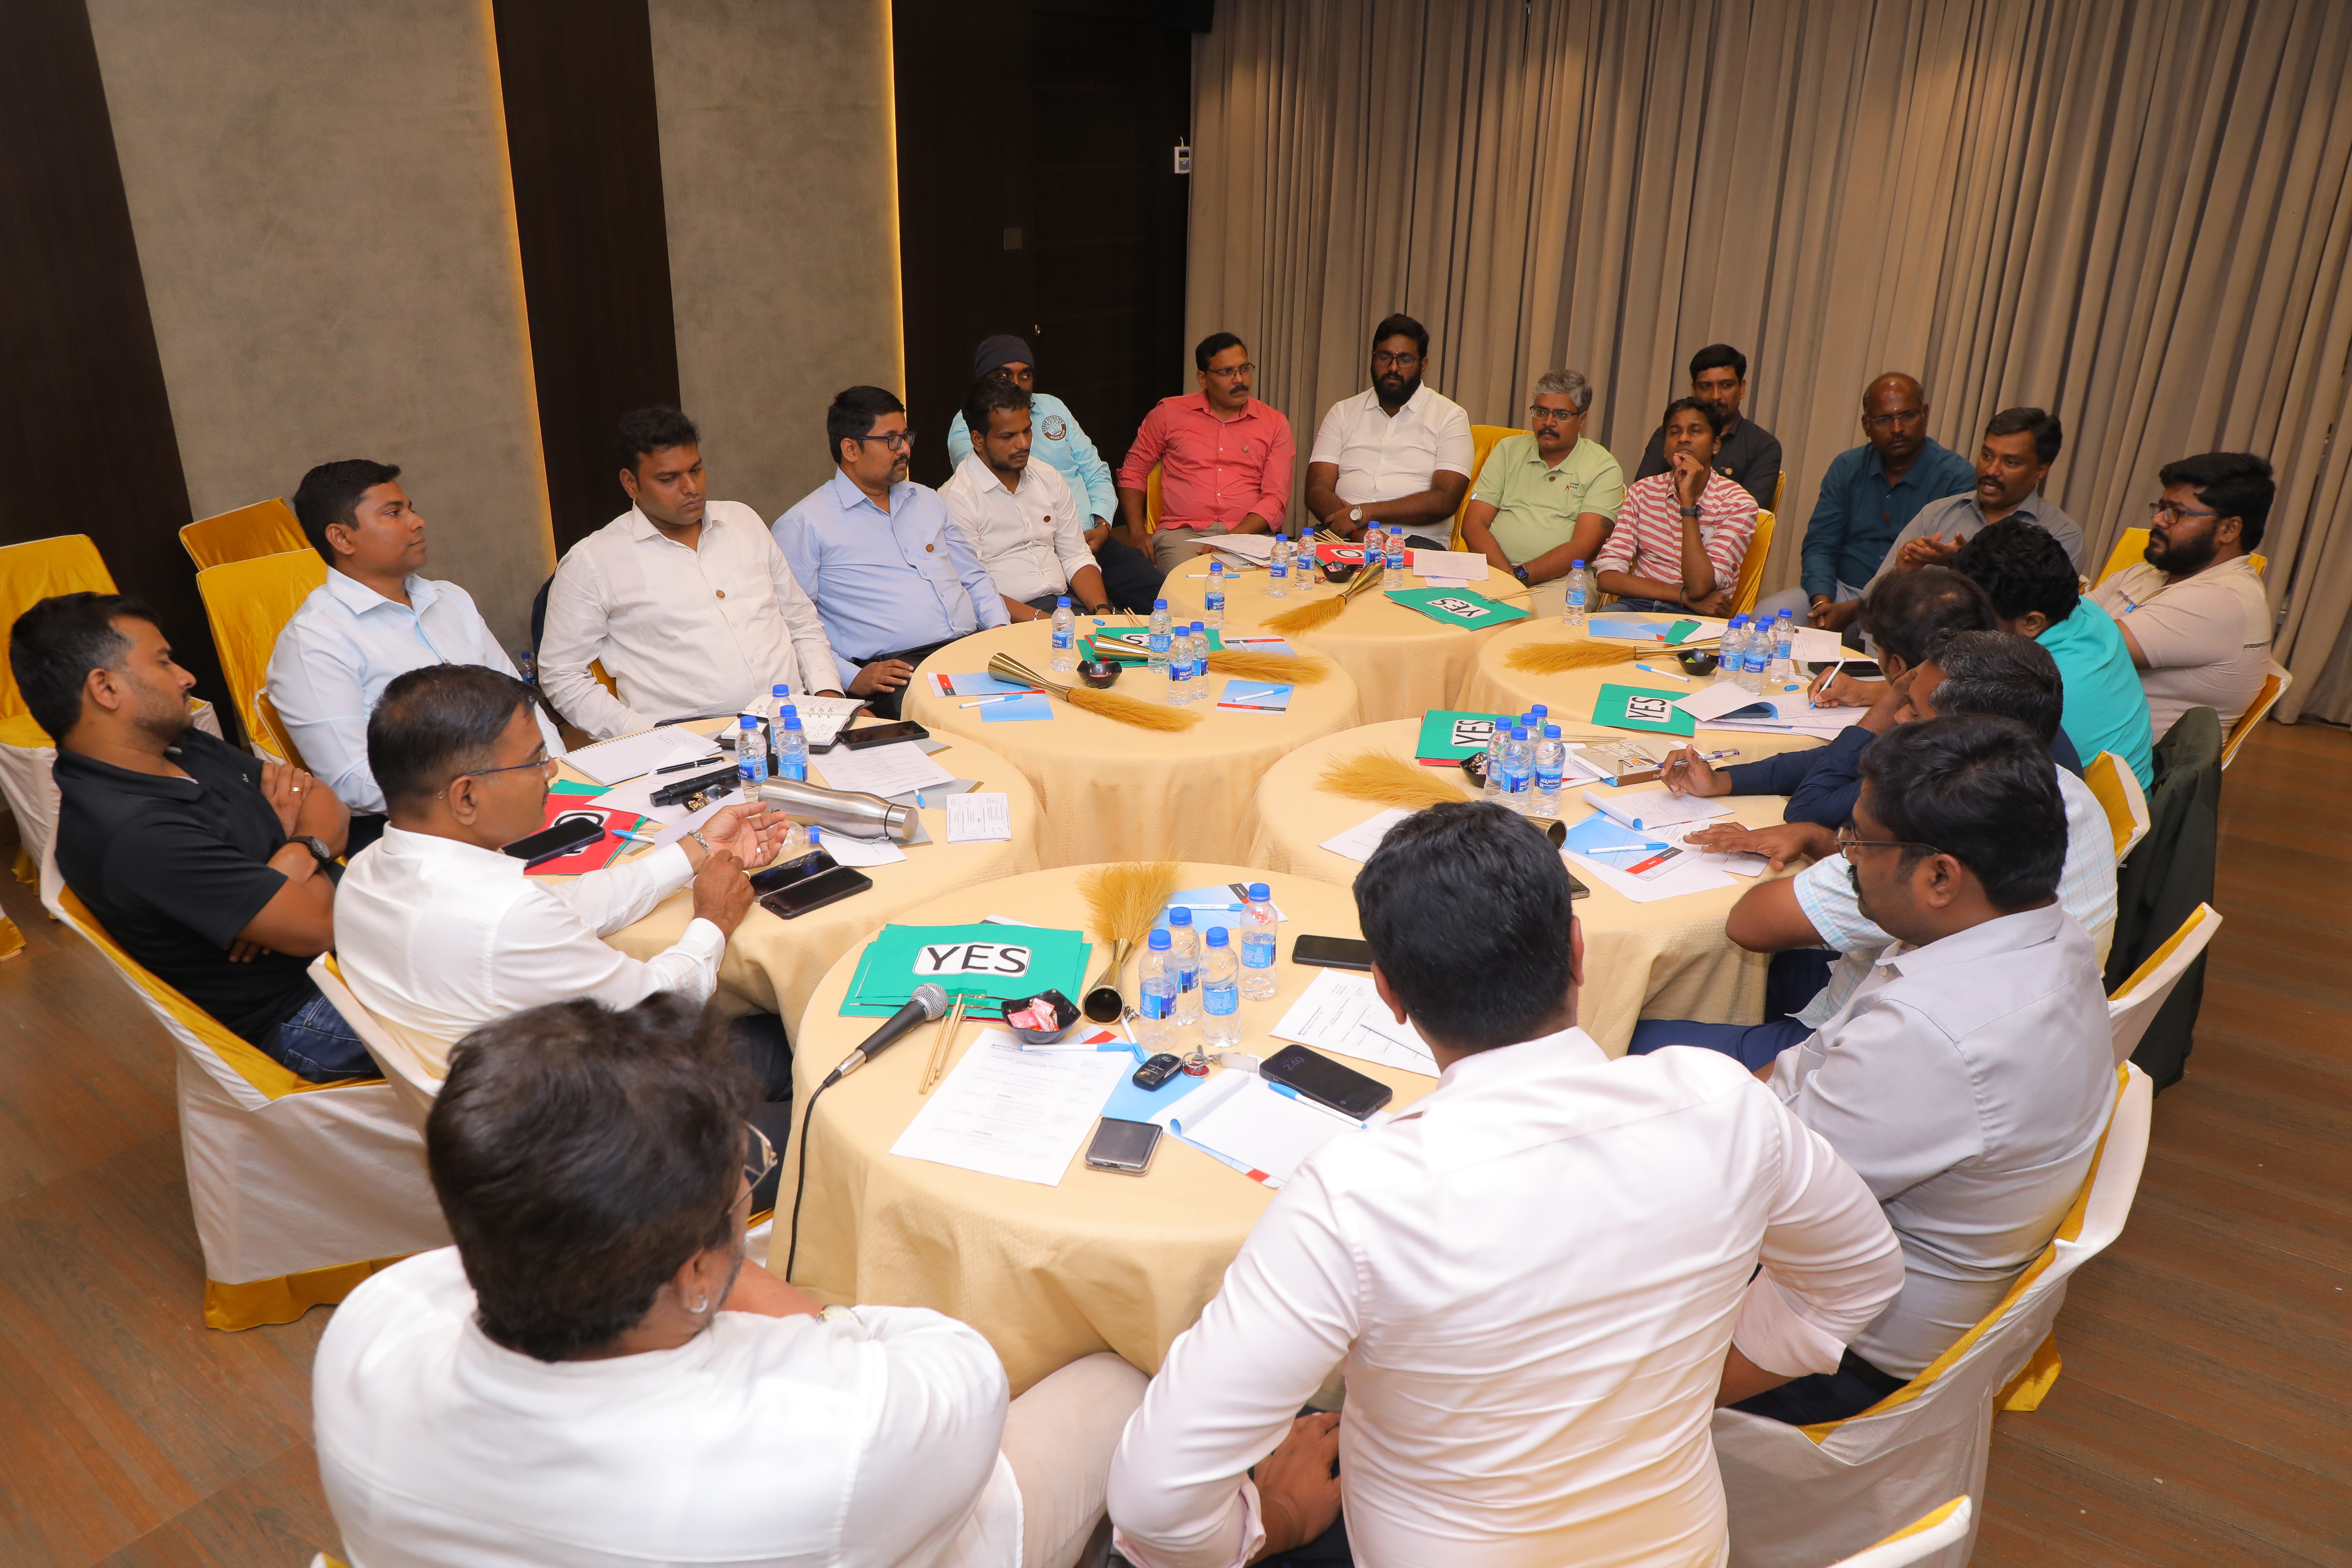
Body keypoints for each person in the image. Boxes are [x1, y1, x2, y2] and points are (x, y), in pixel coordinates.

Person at [1106, 802, 1904, 1568]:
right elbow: (1861, 1277)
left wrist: (1272, 1521)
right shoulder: (1723, 1103)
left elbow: (1154, 1503)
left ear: (1388, 993)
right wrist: (1686, 1387)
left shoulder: (1355, 1196)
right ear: (1579, 951)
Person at [314, 993, 1149, 1568]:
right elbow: (955, 1361)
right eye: (741, 1173)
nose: (747, 1178)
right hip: (905, 1508)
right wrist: (783, 1306)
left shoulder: (370, 1330)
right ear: (696, 1268)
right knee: (1123, 1364)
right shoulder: (840, 1429)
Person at [1730, 716, 2118, 1424]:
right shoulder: (2038, 933)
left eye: (1861, 841)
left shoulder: (1935, 1033)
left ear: (1940, 875)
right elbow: (1802, 1071)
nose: (1848, 857)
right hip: (1866, 1270)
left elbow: (1757, 1197)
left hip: (1842, 1353)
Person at [331, 664, 797, 1136]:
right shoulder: (506, 915)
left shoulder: (366, 873)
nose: (552, 770)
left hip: (498, 1110)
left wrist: (695, 850)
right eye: (535, 760)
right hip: (601, 1132)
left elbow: (569, 906)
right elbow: (658, 1010)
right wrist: (714, 920)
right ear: (465, 797)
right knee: (805, 1044)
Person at [1637, 630, 2119, 1068]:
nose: (1899, 718)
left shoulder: (1935, 827)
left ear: (1968, 741)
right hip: (2031, 1032)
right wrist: (1819, 838)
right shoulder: (2063, 793)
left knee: (1630, 1034)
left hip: (1870, 1048)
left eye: (1913, 709)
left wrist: (1881, 714)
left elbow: (1749, 924)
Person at [12, 593, 368, 1081]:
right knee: (482, 1002)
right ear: (106, 688)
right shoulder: (134, 833)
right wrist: (306, 847)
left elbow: (325, 799)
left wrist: (294, 855)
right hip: (306, 1013)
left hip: (351, 949)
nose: (186, 677)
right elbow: (320, 925)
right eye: (164, 661)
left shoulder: (175, 743)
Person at [266, 458, 561, 853]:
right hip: (409, 829)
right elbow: (352, 781)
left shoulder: (451, 599)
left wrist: (560, 776)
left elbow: (521, 707)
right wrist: (489, 790)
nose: (418, 522)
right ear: (342, 538)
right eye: (393, 513)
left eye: (410, 508)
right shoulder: (315, 640)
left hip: (513, 794)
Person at [539, 408, 861, 740]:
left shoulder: (742, 521)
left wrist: (827, 696)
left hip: (794, 723)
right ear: (631, 483)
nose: (691, 487)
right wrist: (644, 735)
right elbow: (562, 675)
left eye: (696, 470)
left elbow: (800, 620)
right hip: (686, 740)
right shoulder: (593, 561)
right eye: (669, 479)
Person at [1662, 567, 2018, 833]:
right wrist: (1722, 781)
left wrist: (1889, 701)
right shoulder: (1979, 698)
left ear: (1898, 667)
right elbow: (1829, 760)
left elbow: (1806, 811)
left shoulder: (1935, 746)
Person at [774, 386, 1008, 721]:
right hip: (899, 670)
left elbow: (974, 577)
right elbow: (791, 624)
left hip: (970, 649)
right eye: (891, 440)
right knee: (975, 723)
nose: (906, 449)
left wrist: (1000, 633)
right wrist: (851, 677)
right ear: (851, 449)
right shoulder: (805, 524)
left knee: (1038, 705)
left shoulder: (926, 499)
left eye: (906, 437)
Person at [946, 334, 1162, 611]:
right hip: (1035, 565)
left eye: (1025, 375)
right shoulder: (966, 447)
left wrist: (1103, 526)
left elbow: (1095, 472)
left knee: (1165, 599)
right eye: (1003, 376)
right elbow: (997, 489)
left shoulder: (1052, 420)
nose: (1023, 444)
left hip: (1085, 542)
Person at [1761, 373, 1974, 630]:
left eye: (1907, 416)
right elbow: (1821, 544)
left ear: (1925, 414)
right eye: (1884, 420)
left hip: (1908, 604)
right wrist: (1822, 604)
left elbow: (1940, 574)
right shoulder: (1847, 467)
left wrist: (1857, 610)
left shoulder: (1957, 477)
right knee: (1768, 614)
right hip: (1841, 591)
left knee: (1875, 633)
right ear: (1866, 424)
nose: (1897, 429)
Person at [2089, 451, 2277, 739]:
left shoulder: (2220, 601)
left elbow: (2087, 650)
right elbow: (2064, 617)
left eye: (2177, 512)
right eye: (2162, 507)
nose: (2158, 520)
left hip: (2122, 761)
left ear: (2229, 529)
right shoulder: (2151, 572)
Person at [1953, 519, 2154, 787]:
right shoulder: (2084, 612)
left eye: (1977, 615)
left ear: (2031, 623)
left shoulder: (2035, 686)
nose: (1963, 624)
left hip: (2079, 804)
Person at [1116, 331, 1297, 571]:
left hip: (1249, 536)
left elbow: (1275, 498)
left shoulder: (1274, 423)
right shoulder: (1169, 413)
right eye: (1226, 372)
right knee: (1190, 587)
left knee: (1265, 590)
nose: (1239, 379)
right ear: (1203, 379)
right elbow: (1133, 472)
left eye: (1244, 369)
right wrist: (1138, 534)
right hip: (1184, 536)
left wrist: (1233, 539)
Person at [940, 378, 1113, 622]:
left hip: (1065, 605)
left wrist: (1102, 612)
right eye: (1008, 436)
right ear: (978, 440)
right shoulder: (957, 498)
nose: (1023, 444)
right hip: (1006, 619)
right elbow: (975, 590)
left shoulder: (1048, 477)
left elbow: (1076, 556)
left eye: (1027, 431)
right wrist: (1048, 624)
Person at [1457, 369, 1625, 608]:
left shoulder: (1603, 467)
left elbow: (1583, 547)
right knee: (1443, 617)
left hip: (1560, 581)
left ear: (1582, 420)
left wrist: (1520, 577)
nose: (1548, 423)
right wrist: (1507, 578)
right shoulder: (1508, 450)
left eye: (1561, 415)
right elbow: (1474, 524)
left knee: (1532, 628)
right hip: (1491, 570)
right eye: (1541, 412)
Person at [1303, 313, 1474, 545]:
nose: (1393, 368)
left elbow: (1445, 500)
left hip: (1416, 543)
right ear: (1373, 359)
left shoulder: (1450, 417)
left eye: (1405, 359)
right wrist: (1360, 533)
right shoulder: (1343, 412)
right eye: (1385, 357)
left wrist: (1363, 514)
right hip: (1342, 536)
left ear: (1423, 366)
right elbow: (1317, 489)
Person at [1866, 406, 2086, 581]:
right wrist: (1900, 575)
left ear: (2041, 471)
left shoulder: (2061, 535)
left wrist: (1966, 563)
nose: (1991, 471)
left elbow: (2036, 615)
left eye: (2010, 462)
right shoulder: (1936, 514)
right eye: (1987, 456)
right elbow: (1870, 597)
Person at [1591, 397, 1759, 614]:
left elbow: (1699, 587)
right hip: (1636, 605)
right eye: (1674, 432)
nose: (1684, 439)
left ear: (1716, 445)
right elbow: (1607, 577)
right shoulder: (1643, 492)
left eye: (1695, 431)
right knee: (1592, 632)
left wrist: (1687, 501)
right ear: (1665, 449)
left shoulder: (1738, 504)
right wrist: (1682, 596)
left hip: (1697, 614)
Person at [1632, 342, 1784, 509]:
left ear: (1742, 388)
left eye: (1726, 386)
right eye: (1706, 387)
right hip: (1661, 523)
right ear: (1694, 390)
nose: (1716, 396)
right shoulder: (1670, 435)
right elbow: (1642, 498)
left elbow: (1752, 513)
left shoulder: (1763, 446)